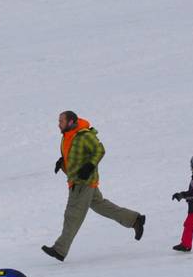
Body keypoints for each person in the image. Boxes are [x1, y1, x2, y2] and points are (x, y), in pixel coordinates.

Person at [41, 112, 145, 262]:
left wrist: (89, 166)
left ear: (70, 122)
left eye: (61, 121)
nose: (59, 124)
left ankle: (59, 249)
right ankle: (135, 220)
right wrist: (62, 162)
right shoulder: (68, 136)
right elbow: (74, 155)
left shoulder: (84, 135)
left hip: (83, 182)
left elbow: (99, 150)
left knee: (72, 214)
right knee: (101, 206)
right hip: (79, 180)